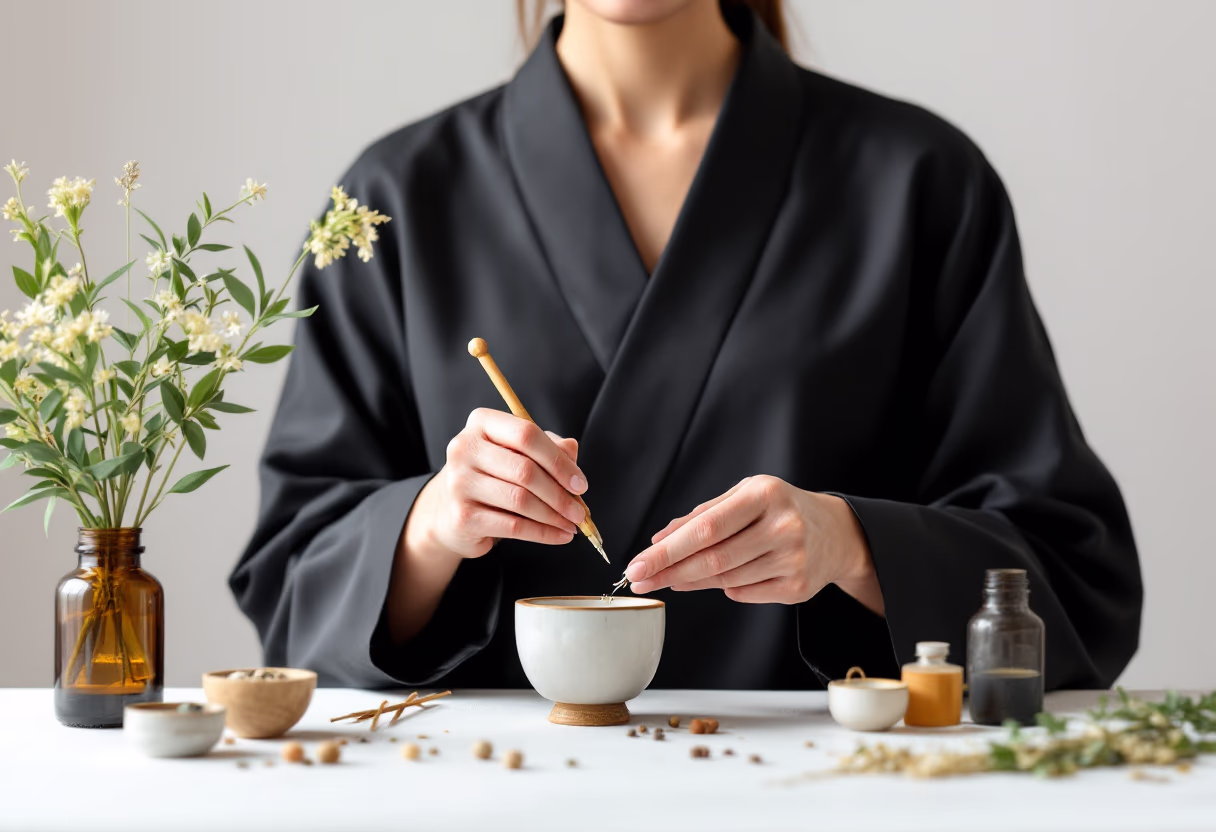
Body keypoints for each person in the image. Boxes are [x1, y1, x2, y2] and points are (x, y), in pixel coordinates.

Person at [230, 0, 1142, 691]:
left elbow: (1068, 579)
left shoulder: (919, 183)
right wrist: (428, 528)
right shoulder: (397, 197)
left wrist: (853, 544)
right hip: (485, 800)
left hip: (834, 803)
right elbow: (292, 591)